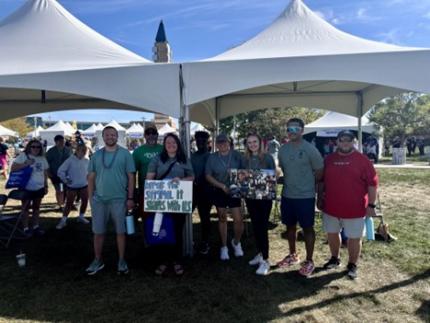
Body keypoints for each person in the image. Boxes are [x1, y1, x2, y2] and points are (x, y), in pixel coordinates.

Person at [318, 130, 378, 279]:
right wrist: (319, 198)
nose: (345, 143)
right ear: (337, 142)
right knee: (332, 233)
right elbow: (321, 181)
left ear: (354, 142)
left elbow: (372, 184)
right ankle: (334, 258)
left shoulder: (363, 160)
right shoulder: (329, 159)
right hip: (331, 207)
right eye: (342, 140)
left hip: (355, 208)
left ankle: (352, 264)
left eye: (349, 140)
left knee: (354, 237)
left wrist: (371, 205)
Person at [277, 118, 324, 277]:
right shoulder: (282, 150)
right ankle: (293, 255)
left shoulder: (310, 149)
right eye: (289, 129)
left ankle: (309, 261)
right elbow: (285, 170)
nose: (292, 132)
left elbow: (319, 172)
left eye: (296, 129)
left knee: (308, 228)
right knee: (290, 227)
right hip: (287, 195)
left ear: (302, 131)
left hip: (305, 196)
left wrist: (313, 189)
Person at [85, 126, 135, 275]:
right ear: (103, 136)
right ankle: (97, 260)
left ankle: (121, 260)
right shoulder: (96, 156)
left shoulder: (125, 154)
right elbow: (91, 178)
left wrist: (130, 198)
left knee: (120, 231)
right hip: (99, 200)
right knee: (98, 232)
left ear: (117, 136)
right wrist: (91, 199)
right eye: (107, 135)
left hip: (119, 199)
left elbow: (131, 177)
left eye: (113, 135)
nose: (110, 137)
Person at [146, 133, 194, 275]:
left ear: (178, 144)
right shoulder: (157, 159)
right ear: (164, 145)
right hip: (161, 200)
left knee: (178, 230)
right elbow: (149, 178)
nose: (171, 145)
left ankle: (176, 260)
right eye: (168, 143)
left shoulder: (183, 159)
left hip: (178, 201)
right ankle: (163, 260)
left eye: (174, 142)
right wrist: (159, 186)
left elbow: (192, 177)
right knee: (163, 229)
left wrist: (181, 180)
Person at [205, 133, 245, 261]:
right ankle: (224, 246)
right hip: (219, 189)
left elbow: (246, 171)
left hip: (235, 188)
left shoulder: (237, 155)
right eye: (219, 142)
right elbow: (208, 175)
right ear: (216, 144)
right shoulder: (212, 157)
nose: (222, 144)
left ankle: (236, 242)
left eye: (225, 142)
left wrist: (238, 176)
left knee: (238, 219)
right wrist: (222, 186)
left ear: (229, 143)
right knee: (222, 218)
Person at [243, 133, 276, 275]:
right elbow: (242, 176)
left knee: (262, 227)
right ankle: (260, 253)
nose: (252, 145)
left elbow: (274, 176)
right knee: (256, 226)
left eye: (254, 142)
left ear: (260, 142)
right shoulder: (246, 158)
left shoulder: (267, 157)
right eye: (249, 142)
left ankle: (266, 260)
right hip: (250, 198)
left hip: (264, 198)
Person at [11, 139, 49, 236]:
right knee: (25, 209)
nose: (36, 149)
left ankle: (36, 227)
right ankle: (26, 228)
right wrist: (26, 164)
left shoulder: (42, 158)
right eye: (33, 147)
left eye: (38, 147)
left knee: (36, 208)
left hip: (39, 187)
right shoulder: (23, 156)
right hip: (26, 187)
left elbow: (45, 173)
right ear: (29, 147)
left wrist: (46, 185)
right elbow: (13, 168)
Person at [132, 124, 163, 220]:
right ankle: (146, 235)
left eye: (153, 133)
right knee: (146, 218)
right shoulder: (138, 152)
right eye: (148, 133)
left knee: (162, 217)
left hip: (164, 191)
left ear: (157, 135)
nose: (151, 135)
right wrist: (133, 191)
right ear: (144, 136)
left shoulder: (164, 149)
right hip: (145, 191)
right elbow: (133, 173)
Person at [56, 144, 90, 229]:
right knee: (69, 204)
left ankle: (81, 217)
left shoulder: (87, 160)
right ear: (76, 150)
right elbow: (60, 171)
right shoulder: (70, 160)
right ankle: (63, 221)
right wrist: (65, 180)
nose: (82, 152)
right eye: (80, 150)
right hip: (72, 186)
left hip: (84, 185)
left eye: (84, 151)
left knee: (85, 201)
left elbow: (91, 171)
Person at [191, 131, 213, 255]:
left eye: (203, 141)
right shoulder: (193, 156)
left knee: (204, 217)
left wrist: (199, 179)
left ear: (207, 142)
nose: (200, 143)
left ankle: (205, 242)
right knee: (187, 215)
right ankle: (189, 240)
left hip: (205, 191)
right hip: (193, 190)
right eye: (198, 141)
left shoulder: (210, 156)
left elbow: (208, 173)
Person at [46, 135, 72, 211]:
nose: (62, 143)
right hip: (55, 174)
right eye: (60, 141)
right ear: (56, 142)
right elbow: (46, 163)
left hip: (67, 174)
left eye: (63, 141)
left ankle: (68, 204)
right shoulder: (51, 151)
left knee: (68, 190)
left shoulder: (68, 150)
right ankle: (60, 205)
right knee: (59, 190)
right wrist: (48, 173)